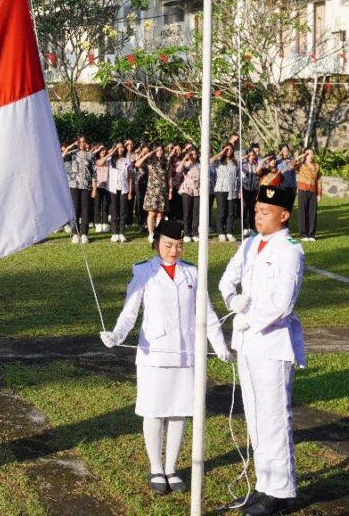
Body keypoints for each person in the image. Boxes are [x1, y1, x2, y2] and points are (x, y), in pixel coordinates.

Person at [100, 218, 231, 494]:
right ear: (157, 242)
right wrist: (116, 335)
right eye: (169, 245)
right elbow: (130, 312)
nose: (174, 251)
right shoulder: (143, 272)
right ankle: (155, 467)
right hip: (154, 353)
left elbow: (207, 313)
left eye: (179, 245)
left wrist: (219, 345)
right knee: (154, 411)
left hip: (185, 353)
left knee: (179, 412)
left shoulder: (192, 274)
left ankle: (171, 468)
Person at [218, 185, 305, 516]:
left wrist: (249, 319)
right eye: (256, 211)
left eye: (265, 212)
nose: (258, 216)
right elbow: (227, 280)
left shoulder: (290, 250)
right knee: (254, 416)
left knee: (274, 418)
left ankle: (282, 491)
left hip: (272, 342)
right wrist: (233, 301)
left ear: (283, 216)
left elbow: (283, 303)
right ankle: (264, 484)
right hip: (248, 343)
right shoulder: (250, 243)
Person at [98, 143, 133, 243]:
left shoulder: (127, 161)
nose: (120, 149)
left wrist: (130, 191)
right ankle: (114, 233)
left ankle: (121, 232)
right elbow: (100, 163)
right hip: (112, 188)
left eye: (122, 147)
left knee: (122, 211)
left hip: (123, 188)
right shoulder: (110, 160)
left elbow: (130, 177)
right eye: (118, 148)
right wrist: (111, 152)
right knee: (114, 210)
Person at [62, 136, 94, 244]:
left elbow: (94, 172)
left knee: (85, 210)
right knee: (75, 209)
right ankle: (75, 233)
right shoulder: (72, 153)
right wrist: (72, 145)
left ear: (86, 143)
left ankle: (84, 233)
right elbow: (63, 155)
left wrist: (94, 187)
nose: (82, 143)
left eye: (84, 141)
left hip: (86, 185)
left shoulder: (90, 155)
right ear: (77, 142)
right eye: (80, 142)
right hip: (74, 184)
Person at [134, 144, 168, 243]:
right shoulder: (150, 162)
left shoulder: (165, 162)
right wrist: (150, 153)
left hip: (162, 191)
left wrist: (169, 190)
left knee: (160, 215)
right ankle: (151, 233)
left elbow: (168, 177)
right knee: (151, 213)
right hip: (152, 191)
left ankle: (158, 233)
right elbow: (137, 164)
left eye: (161, 150)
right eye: (158, 150)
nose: (160, 151)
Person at [212, 145, 239, 242]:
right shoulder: (219, 162)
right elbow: (209, 161)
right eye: (227, 149)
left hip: (232, 189)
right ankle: (221, 232)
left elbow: (238, 177)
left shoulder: (235, 162)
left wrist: (239, 190)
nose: (229, 151)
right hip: (221, 188)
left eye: (231, 149)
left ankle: (229, 232)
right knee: (222, 212)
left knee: (231, 212)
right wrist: (221, 153)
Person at [295, 149, 322, 241]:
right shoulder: (300, 165)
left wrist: (319, 194)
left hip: (313, 191)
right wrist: (300, 157)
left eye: (311, 154)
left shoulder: (316, 166)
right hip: (303, 190)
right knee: (303, 212)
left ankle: (311, 234)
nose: (310, 155)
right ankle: (304, 234)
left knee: (312, 213)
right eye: (308, 154)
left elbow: (319, 180)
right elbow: (291, 165)